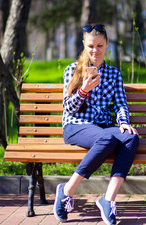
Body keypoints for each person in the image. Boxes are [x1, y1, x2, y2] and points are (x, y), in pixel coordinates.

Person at [54, 24, 139, 225]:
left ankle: (108, 199)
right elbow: (69, 109)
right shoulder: (72, 71)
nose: (95, 50)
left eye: (100, 45)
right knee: (107, 138)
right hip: (76, 126)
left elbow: (120, 103)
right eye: (91, 45)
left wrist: (124, 122)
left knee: (131, 138)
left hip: (101, 127)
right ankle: (66, 190)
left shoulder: (113, 74)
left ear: (107, 44)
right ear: (84, 44)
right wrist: (83, 90)